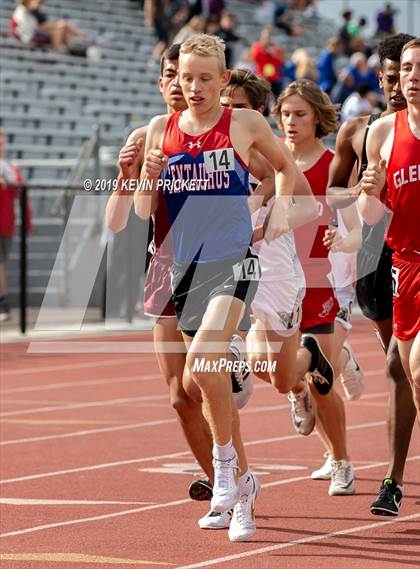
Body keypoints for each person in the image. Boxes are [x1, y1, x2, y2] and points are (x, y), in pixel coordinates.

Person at [135, 34, 307, 541]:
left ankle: (225, 469)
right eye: (185, 78)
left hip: (232, 262)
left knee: (203, 361)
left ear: (224, 79)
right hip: (182, 270)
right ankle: (243, 485)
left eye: (205, 78)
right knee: (206, 382)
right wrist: (146, 177)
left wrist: (275, 209)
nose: (194, 87)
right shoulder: (158, 130)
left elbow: (286, 168)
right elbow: (145, 210)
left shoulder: (244, 123)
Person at [106, 45, 252, 532]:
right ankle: (225, 488)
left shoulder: (224, 129)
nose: (178, 84)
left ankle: (230, 364)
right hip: (164, 270)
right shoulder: (147, 134)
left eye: (186, 75)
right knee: (177, 396)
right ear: (161, 82)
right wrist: (126, 179)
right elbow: (119, 219)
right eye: (170, 75)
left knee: (202, 375)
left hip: (214, 264)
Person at [327, 33, 416, 516]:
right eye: (395, 74)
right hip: (385, 254)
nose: (401, 83)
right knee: (397, 363)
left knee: (407, 366)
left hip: (404, 250)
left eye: (407, 72)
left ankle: (394, 478)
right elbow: (341, 197)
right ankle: (395, 477)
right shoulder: (366, 132)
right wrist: (367, 191)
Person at [272, 80, 358, 496]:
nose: (290, 122)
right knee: (274, 369)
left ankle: (342, 462)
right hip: (274, 281)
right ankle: (300, 384)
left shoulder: (331, 165)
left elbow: (355, 223)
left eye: (299, 114)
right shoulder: (271, 160)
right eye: (285, 114)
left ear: (317, 118)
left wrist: (340, 238)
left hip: (318, 278)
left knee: (324, 386)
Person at [361, 38, 420, 422]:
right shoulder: (382, 133)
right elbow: (369, 216)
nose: (412, 77)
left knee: (419, 365)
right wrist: (370, 189)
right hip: (405, 266)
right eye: (408, 68)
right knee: (414, 379)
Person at [0, 129, 31, 321]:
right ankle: (2, 303)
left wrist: (28, 221)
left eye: (2, 143)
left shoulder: (9, 168)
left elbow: (21, 192)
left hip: (4, 223)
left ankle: (2, 304)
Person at [12, 0, 87, 53]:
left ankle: (69, 49)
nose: (40, 3)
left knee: (61, 29)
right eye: (38, 2)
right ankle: (66, 49)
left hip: (36, 31)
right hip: (30, 35)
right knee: (61, 26)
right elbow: (26, 29)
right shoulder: (22, 12)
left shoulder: (35, 12)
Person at [251, 26, 284, 98]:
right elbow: (255, 58)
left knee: (277, 96)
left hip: (273, 77)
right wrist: (263, 49)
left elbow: (280, 63)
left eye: (269, 36)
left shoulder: (275, 48)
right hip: (261, 75)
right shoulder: (257, 46)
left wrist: (273, 54)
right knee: (261, 96)